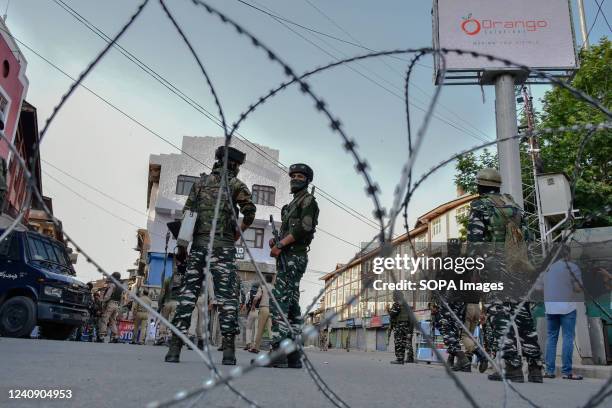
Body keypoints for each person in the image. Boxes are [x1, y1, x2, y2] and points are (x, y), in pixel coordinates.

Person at [164, 146, 256, 365]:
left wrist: (182, 248)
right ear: (234, 165)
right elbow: (250, 211)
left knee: (188, 295)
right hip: (223, 246)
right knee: (226, 298)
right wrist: (237, 232)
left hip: (198, 245)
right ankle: (229, 352)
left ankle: (174, 349)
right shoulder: (235, 184)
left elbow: (187, 215)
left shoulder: (199, 183)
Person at [467, 168, 543, 383]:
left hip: (495, 270)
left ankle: (513, 367)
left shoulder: (480, 206)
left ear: (480, 185)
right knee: (524, 317)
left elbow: (475, 243)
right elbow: (529, 239)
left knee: (500, 316)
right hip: (519, 268)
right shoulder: (515, 207)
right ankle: (536, 368)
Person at [268, 163, 319, 368]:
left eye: (300, 176)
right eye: (293, 176)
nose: (295, 179)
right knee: (291, 307)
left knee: (279, 303)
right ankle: (293, 354)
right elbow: (290, 231)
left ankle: (278, 353)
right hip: (288, 257)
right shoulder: (290, 206)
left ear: (307, 180)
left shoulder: (308, 200)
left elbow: (304, 229)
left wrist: (281, 244)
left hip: (293, 257)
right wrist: (277, 240)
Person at [542, 246, 584, 380]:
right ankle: (567, 372)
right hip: (567, 307)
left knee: (551, 338)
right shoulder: (572, 267)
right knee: (567, 337)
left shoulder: (547, 269)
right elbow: (578, 288)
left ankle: (549, 371)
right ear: (567, 254)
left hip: (550, 307)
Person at [188, 272, 215, 350]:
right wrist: (211, 300)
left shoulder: (194, 270)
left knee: (193, 319)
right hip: (202, 298)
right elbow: (210, 287)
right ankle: (200, 341)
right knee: (201, 321)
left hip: (192, 297)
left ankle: (191, 337)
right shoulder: (208, 273)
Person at [249, 274, 274, 353]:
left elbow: (256, 298)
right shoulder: (274, 288)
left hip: (263, 309)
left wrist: (253, 306)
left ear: (265, 279)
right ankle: (272, 348)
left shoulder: (262, 287)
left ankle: (256, 348)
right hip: (272, 310)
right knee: (271, 330)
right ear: (272, 280)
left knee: (260, 329)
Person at [388, 291, 414, 364]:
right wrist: (410, 331)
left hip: (399, 327)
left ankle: (399, 359)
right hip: (406, 327)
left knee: (398, 343)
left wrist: (388, 310)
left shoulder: (396, 304)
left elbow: (392, 314)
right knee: (403, 343)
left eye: (393, 296)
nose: (393, 297)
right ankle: (403, 358)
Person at [97, 272, 123, 343]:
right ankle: (115, 336)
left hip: (110, 304)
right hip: (117, 305)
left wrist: (103, 301)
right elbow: (122, 298)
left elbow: (108, 295)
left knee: (104, 319)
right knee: (112, 321)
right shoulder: (120, 286)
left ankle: (101, 336)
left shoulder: (112, 284)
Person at [244, 282, 260, 350]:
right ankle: (254, 345)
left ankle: (248, 344)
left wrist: (248, 311)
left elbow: (246, 303)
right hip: (259, 311)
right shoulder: (260, 293)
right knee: (256, 329)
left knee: (248, 328)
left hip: (251, 311)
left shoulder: (249, 293)